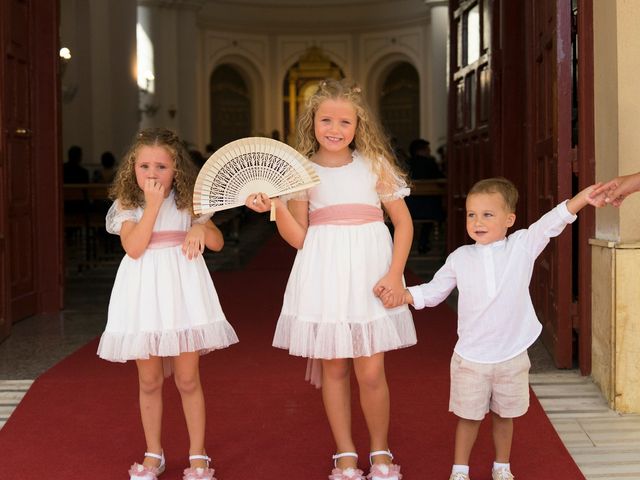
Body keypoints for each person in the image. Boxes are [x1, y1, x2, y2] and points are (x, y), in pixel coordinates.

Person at [245, 78, 415, 480]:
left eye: (344, 122)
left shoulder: (375, 165)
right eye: (326, 120)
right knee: (335, 368)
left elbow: (404, 225)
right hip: (323, 272)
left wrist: (395, 274)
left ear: (359, 127)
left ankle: (380, 450)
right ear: (312, 122)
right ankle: (345, 453)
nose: (335, 129)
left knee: (371, 370)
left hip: (371, 274)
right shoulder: (301, 173)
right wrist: (276, 208)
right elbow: (300, 238)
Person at [379, 177, 602, 480]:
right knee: (468, 418)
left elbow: (552, 222)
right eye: (471, 215)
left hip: (511, 354)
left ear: (509, 219)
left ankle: (502, 466)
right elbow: (434, 291)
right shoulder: (460, 257)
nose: (477, 222)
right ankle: (459, 470)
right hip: (471, 356)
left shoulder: (522, 246)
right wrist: (405, 296)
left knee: (504, 415)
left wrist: (583, 198)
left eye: (487, 215)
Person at [97, 128, 238, 480]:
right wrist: (153, 206)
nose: (152, 174)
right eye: (144, 166)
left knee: (188, 379)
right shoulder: (128, 205)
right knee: (149, 380)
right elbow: (134, 247)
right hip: (144, 292)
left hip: (182, 292)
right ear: (133, 168)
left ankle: (197, 453)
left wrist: (199, 230)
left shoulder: (189, 201)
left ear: (177, 169)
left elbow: (218, 242)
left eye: (161, 166)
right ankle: (153, 453)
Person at [405, 138, 446, 253]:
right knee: (433, 207)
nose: (429, 151)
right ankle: (423, 242)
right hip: (429, 209)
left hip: (409, 208)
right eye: (428, 149)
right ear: (421, 151)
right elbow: (441, 179)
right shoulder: (430, 163)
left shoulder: (406, 164)